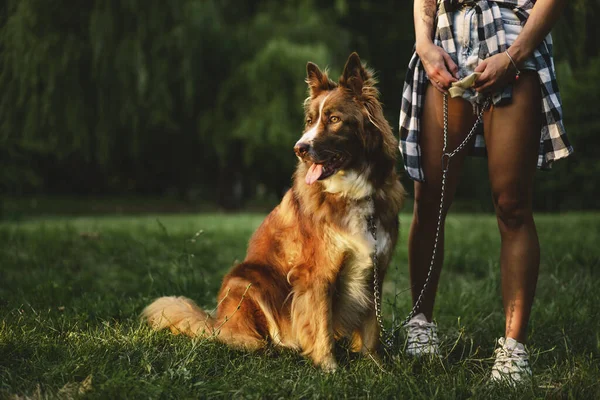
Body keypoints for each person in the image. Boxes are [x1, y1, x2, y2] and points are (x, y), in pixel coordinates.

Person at [398, 0, 572, 384]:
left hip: (511, 39)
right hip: (446, 42)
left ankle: (514, 349)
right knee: (429, 199)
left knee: (512, 206)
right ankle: (421, 325)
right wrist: (423, 45)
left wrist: (514, 55)